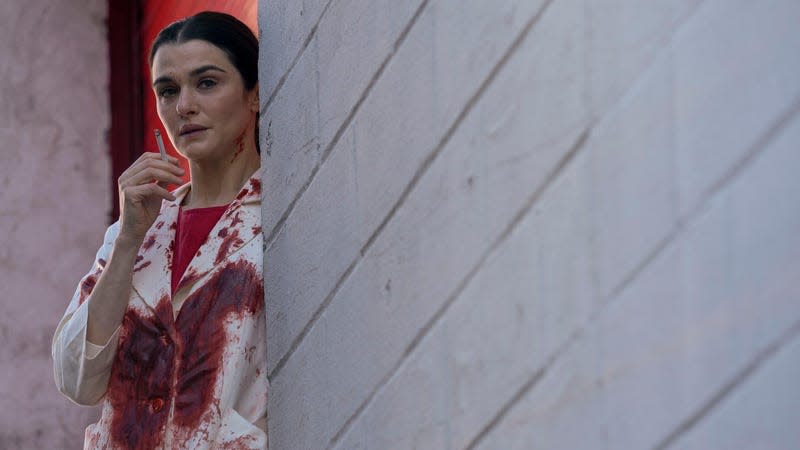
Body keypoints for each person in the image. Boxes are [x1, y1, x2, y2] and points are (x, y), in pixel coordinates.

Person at [52, 11, 268, 449]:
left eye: (206, 82)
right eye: (168, 91)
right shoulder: (137, 232)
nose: (184, 105)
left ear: (255, 96)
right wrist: (130, 238)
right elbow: (77, 380)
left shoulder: (278, 218)